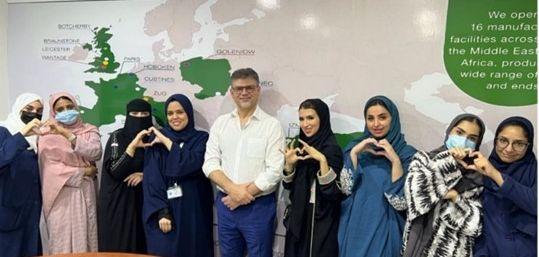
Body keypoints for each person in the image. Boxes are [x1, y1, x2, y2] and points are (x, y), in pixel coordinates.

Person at [203, 68, 285, 257]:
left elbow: (274, 171)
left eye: (249, 88)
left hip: (258, 208)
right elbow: (210, 163)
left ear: (258, 90)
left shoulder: (271, 126)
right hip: (226, 205)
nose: (244, 93)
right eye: (239, 89)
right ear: (231, 93)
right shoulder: (221, 124)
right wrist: (233, 190)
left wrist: (243, 194)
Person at [338, 95, 417, 257]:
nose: (376, 124)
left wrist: (395, 160)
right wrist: (354, 153)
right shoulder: (355, 148)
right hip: (354, 227)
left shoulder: (407, 155)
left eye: (382, 117)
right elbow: (345, 189)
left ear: (393, 119)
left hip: (386, 227)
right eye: (370, 118)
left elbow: (400, 203)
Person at [400, 114, 485, 257]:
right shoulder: (424, 159)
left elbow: (474, 226)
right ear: (449, 132)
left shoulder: (476, 176)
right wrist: (449, 162)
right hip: (418, 249)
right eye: (459, 133)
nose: (464, 141)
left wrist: (454, 196)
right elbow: (414, 198)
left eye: (472, 138)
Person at [143, 94, 214, 257]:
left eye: (180, 112)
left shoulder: (201, 138)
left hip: (194, 208)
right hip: (166, 209)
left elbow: (192, 163)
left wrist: (168, 142)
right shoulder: (156, 138)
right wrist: (161, 210)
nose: (175, 117)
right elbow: (152, 178)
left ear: (188, 113)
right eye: (170, 113)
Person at [38, 92, 102, 254]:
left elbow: (95, 153)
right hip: (60, 195)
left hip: (85, 193)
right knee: (61, 239)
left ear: (76, 107)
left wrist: (68, 135)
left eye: (69, 107)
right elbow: (51, 169)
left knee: (87, 237)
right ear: (54, 113)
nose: (66, 111)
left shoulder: (89, 130)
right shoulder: (46, 135)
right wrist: (83, 171)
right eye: (60, 109)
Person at [282, 99, 343, 257]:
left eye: (310, 118)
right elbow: (289, 187)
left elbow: (333, 193)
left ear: (322, 119)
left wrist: (322, 160)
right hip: (298, 216)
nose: (305, 124)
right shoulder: (301, 146)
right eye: (301, 119)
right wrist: (289, 166)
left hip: (320, 219)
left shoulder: (332, 149)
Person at [473, 116, 536, 257]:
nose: (509, 149)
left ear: (528, 145)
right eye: (503, 141)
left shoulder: (534, 171)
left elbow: (535, 203)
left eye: (519, 143)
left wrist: (495, 174)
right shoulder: (479, 169)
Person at [98, 98, 152, 253]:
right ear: (128, 115)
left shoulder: (154, 137)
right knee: (119, 247)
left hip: (145, 202)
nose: (139, 117)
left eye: (144, 114)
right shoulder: (117, 137)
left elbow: (163, 168)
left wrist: (144, 174)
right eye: (134, 113)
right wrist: (133, 146)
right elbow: (115, 170)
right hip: (118, 203)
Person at [0, 93, 43, 257]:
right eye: (29, 108)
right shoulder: (4, 130)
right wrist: (22, 133)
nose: (34, 113)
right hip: (8, 212)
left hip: (31, 213)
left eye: (39, 110)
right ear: (18, 108)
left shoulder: (37, 138)